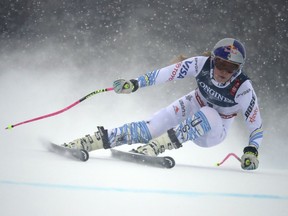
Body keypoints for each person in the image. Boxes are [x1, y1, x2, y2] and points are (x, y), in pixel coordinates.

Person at [63, 38, 263, 170]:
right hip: (196, 103)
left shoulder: (243, 88)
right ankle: (90, 141)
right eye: (220, 64)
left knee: (210, 114)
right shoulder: (200, 64)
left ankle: (154, 148)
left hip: (214, 130)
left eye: (231, 68)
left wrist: (251, 152)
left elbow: (256, 127)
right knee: (154, 126)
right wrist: (134, 83)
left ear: (238, 69)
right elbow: (165, 74)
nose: (224, 71)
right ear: (213, 60)